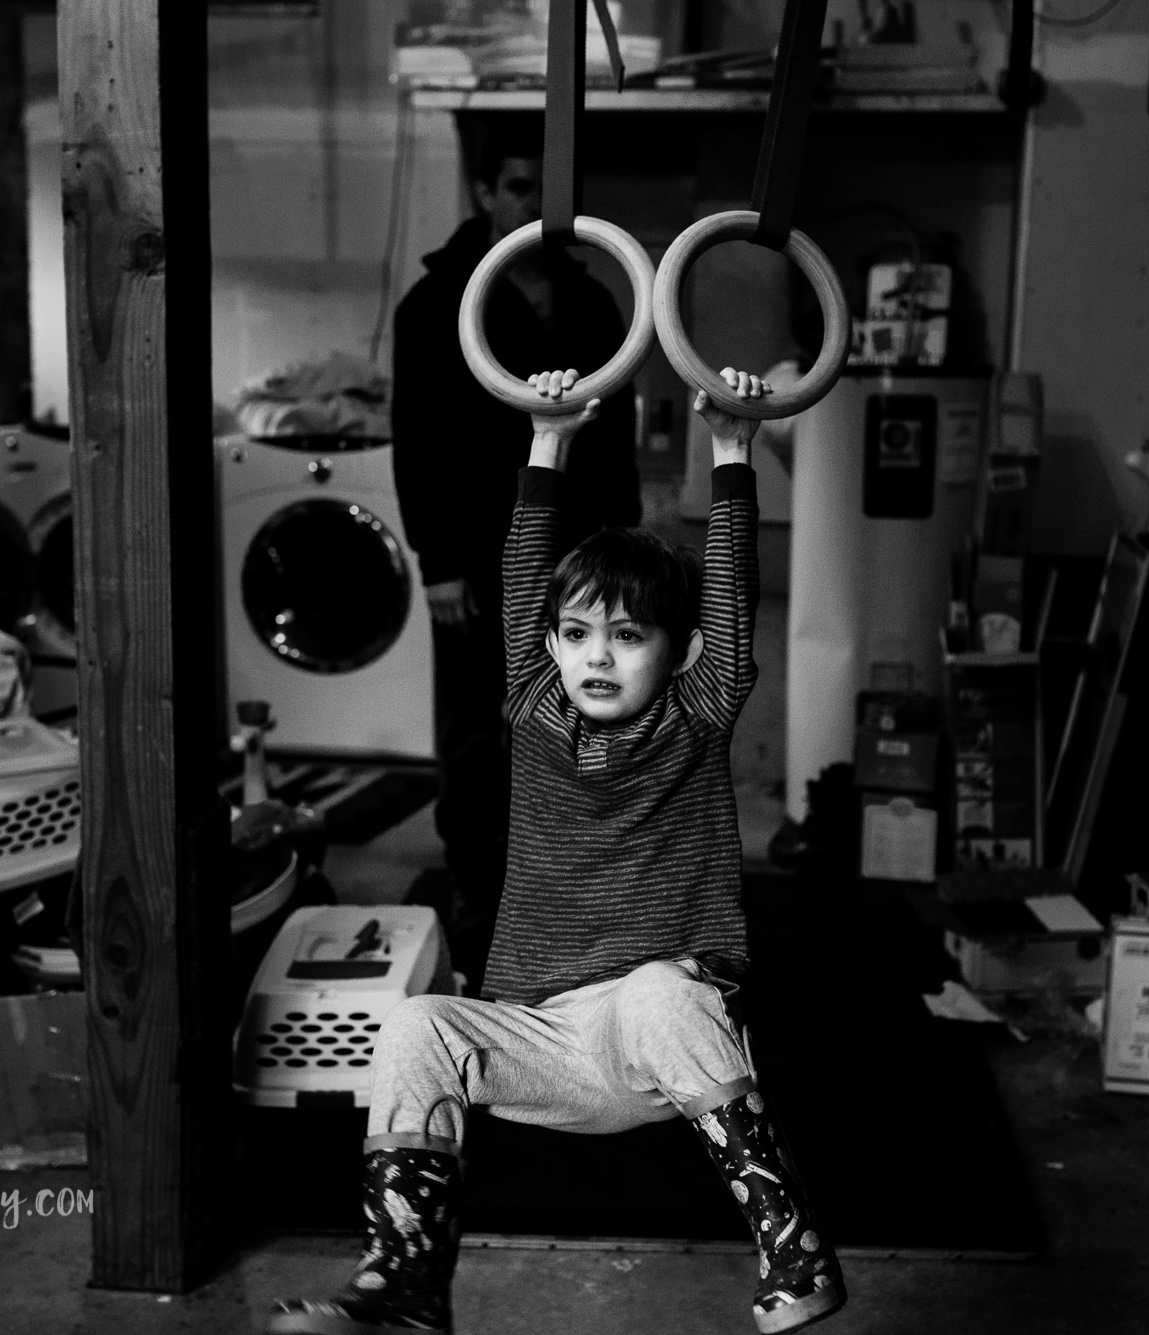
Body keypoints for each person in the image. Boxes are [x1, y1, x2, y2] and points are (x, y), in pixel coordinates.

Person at [267, 368, 846, 1335]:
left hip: (658, 1037)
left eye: (627, 636)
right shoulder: (535, 715)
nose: (597, 657)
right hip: (541, 1039)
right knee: (415, 1025)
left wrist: (735, 450)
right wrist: (547, 441)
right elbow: (522, 581)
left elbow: (737, 620)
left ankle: (793, 1244)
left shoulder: (698, 718)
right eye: (575, 635)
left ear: (680, 649)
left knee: (663, 989)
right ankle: (406, 1284)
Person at [390, 125, 641, 989]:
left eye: (551, 191)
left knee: (579, 732)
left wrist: (627, 550)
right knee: (476, 747)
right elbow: (416, 442)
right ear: (487, 194)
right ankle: (477, 926)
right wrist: (437, 562)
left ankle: (570, 919)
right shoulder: (435, 306)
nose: (539, 206)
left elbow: (619, 439)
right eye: (522, 187)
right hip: (477, 559)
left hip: (575, 561)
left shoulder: (597, 305)